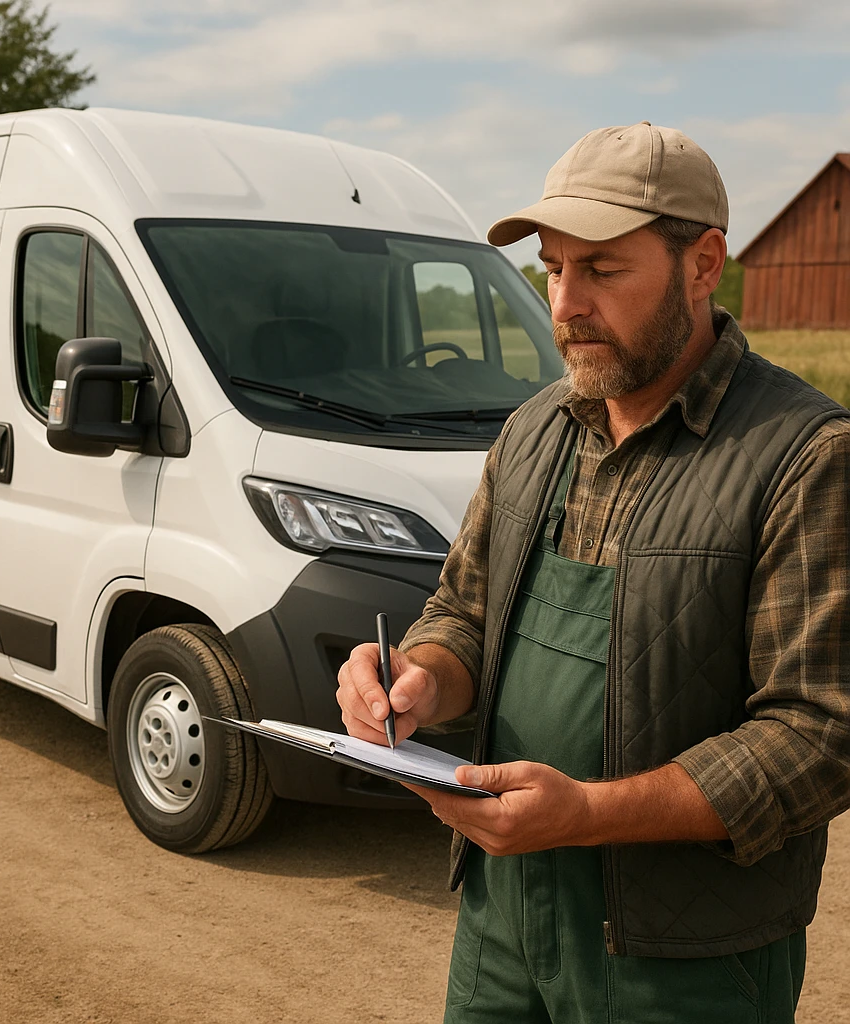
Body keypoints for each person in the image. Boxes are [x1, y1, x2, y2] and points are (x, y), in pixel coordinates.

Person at [336, 121, 850, 1023]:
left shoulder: (805, 455)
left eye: (603, 269)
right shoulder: (535, 426)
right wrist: (417, 682)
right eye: (553, 267)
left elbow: (819, 737)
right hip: (504, 921)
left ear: (704, 264)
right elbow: (463, 610)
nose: (565, 303)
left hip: (685, 959)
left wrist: (590, 813)